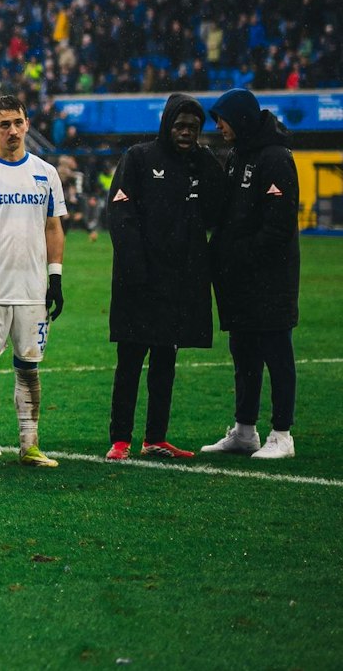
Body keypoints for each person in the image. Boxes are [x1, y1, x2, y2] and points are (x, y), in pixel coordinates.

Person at [104, 93, 223, 460]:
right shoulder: (138, 158)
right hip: (137, 283)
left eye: (193, 127)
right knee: (129, 362)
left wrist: (206, 160)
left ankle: (155, 436)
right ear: (167, 125)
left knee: (165, 363)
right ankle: (120, 438)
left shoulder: (199, 163)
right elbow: (120, 216)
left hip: (177, 283)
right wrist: (137, 270)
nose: (187, 133)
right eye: (180, 126)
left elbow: (217, 209)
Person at [0, 93, 65, 471]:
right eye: (4, 124)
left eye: (18, 122)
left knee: (29, 368)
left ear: (27, 124)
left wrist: (55, 279)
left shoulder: (45, 173)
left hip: (32, 291)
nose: (13, 130)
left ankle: (30, 445)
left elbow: (54, 227)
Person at [203, 88, 301, 460]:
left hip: (271, 279)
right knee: (243, 352)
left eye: (222, 119)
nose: (219, 126)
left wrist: (239, 256)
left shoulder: (276, 158)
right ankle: (245, 430)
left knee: (276, 352)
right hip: (240, 279)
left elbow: (278, 227)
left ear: (240, 117)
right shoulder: (237, 156)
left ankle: (282, 433)